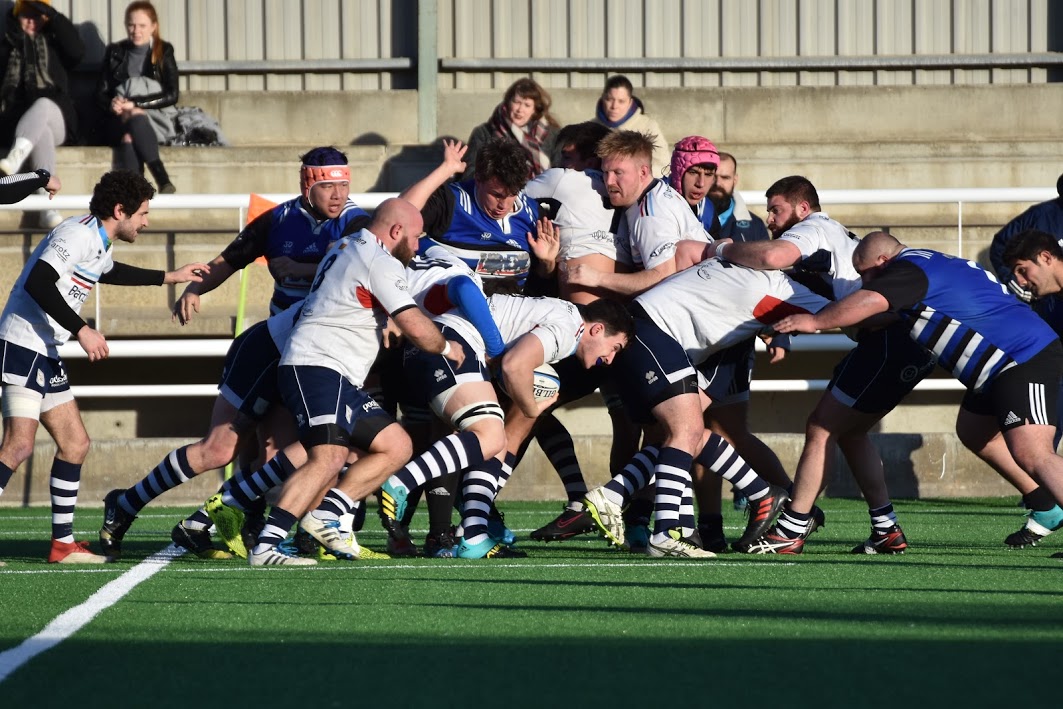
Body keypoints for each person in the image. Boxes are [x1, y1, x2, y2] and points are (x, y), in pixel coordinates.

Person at [777, 231, 1063, 561]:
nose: (865, 280)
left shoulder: (908, 270)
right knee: (974, 431)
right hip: (999, 365)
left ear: (883, 262)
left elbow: (870, 301)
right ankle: (1045, 504)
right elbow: (889, 314)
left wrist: (815, 321)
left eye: (867, 272)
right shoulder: (926, 265)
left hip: (1020, 357)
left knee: (1033, 452)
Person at [712, 177, 935, 555]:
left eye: (776, 209)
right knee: (851, 432)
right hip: (903, 340)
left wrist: (723, 249)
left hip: (887, 338)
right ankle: (885, 527)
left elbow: (772, 258)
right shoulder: (826, 232)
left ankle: (792, 528)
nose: (769, 218)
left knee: (821, 427)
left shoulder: (811, 228)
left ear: (802, 209)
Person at [0, 170, 208, 565]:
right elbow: (38, 283)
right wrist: (82, 329)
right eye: (143, 214)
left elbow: (108, 270)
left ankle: (62, 546)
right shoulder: (76, 234)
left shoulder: (97, 239)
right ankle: (61, 544)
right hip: (21, 343)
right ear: (120, 210)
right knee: (19, 445)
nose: (146, 222)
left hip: (44, 349)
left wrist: (170, 277)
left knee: (76, 444)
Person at [246, 198, 467, 566]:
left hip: (338, 373)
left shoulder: (350, 244)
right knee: (328, 457)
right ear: (396, 231)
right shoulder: (378, 259)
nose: (416, 247)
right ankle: (267, 545)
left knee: (396, 445)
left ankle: (324, 515)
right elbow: (414, 324)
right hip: (318, 366)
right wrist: (446, 346)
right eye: (414, 238)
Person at [581, 256, 828, 557]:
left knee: (686, 435)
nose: (772, 221)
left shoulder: (749, 265)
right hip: (657, 334)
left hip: (657, 333)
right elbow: (851, 311)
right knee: (687, 432)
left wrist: (724, 247)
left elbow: (694, 250)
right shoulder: (782, 286)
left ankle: (679, 522)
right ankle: (658, 522)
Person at [380, 293, 634, 559]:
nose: (610, 358)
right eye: (614, 348)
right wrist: (530, 407)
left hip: (443, 345)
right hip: (449, 346)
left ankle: (473, 534)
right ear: (597, 329)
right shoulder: (568, 330)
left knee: (495, 441)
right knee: (489, 436)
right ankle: (400, 484)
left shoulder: (565, 318)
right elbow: (514, 365)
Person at [173, 146, 370, 322]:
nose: (338, 195)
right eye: (328, 186)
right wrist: (194, 288)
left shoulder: (357, 222)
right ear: (306, 185)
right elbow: (228, 261)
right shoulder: (278, 218)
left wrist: (300, 270)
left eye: (344, 185)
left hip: (334, 327)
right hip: (283, 326)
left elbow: (359, 271)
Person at [403, 136, 541, 293]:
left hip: (514, 308)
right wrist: (446, 169)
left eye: (512, 194)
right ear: (478, 179)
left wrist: (547, 263)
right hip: (452, 305)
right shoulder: (451, 202)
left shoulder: (533, 214)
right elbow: (401, 213)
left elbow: (541, 282)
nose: (503, 205)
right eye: (496, 195)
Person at [0, 0, 85, 229]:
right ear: (16, 17)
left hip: (59, 116)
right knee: (42, 134)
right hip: (19, 122)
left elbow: (77, 52)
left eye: (37, 16)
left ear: (45, 18)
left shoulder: (54, 42)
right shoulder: (7, 45)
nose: (31, 21)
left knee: (44, 104)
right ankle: (48, 208)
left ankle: (15, 158)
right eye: (26, 15)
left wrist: (54, 16)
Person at [96, 1, 180, 193]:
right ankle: (161, 178)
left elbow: (172, 94)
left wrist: (135, 104)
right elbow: (99, 94)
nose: (136, 31)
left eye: (142, 26)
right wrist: (112, 103)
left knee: (129, 137)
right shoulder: (115, 52)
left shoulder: (164, 51)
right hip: (115, 120)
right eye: (131, 25)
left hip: (152, 120)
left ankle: (135, 196)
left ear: (153, 26)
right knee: (129, 120)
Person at [462, 78, 560, 181]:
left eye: (527, 105)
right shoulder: (484, 133)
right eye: (516, 102)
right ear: (508, 103)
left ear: (535, 110)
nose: (520, 110)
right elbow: (470, 174)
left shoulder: (552, 135)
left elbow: (560, 174)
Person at [592, 75, 668, 177]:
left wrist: (633, 175)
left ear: (630, 102)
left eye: (621, 101)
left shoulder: (647, 126)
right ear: (602, 99)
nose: (614, 106)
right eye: (609, 99)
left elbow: (663, 165)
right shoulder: (591, 127)